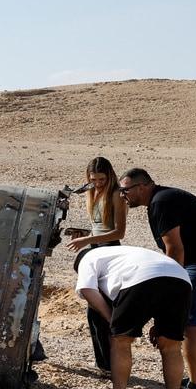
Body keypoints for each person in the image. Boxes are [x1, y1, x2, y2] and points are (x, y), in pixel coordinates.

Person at [118, 168, 196, 389]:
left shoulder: (161, 202)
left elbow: (174, 249)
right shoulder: (161, 199)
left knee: (188, 322)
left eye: (125, 190)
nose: (123, 196)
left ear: (142, 187)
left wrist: (172, 292)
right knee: (194, 319)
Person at [75, 245, 191, 389]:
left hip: (140, 277)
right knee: (171, 346)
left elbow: (87, 290)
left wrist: (112, 321)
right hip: (181, 278)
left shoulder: (87, 258)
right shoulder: (121, 254)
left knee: (120, 340)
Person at [66, 157, 129, 373]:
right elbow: (98, 229)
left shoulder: (116, 194)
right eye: (94, 179)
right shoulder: (91, 192)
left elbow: (119, 232)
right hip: (96, 250)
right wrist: (85, 235)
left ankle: (111, 364)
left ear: (109, 175)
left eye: (102, 179)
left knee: (102, 309)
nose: (98, 182)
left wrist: (86, 240)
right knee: (93, 310)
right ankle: (104, 363)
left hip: (110, 251)